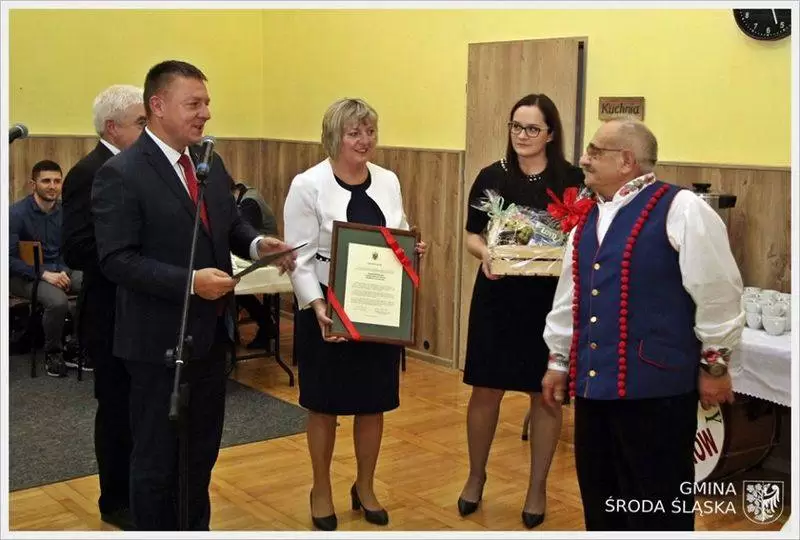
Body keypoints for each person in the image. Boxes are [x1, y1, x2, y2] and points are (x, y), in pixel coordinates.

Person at [91, 60, 296, 531]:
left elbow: (228, 223)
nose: (205, 113)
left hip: (210, 337)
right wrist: (190, 281)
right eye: (194, 104)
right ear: (158, 106)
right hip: (156, 344)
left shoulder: (208, 162)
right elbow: (116, 260)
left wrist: (257, 244)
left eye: (207, 103)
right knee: (156, 462)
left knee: (200, 456)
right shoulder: (121, 173)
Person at [541, 117, 744, 531]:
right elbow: (569, 299)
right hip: (594, 390)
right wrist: (558, 361)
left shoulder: (682, 209)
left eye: (594, 151)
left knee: (659, 502)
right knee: (601, 496)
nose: (584, 159)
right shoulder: (587, 221)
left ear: (627, 160)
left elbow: (718, 293)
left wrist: (715, 366)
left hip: (658, 391)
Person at [284, 98, 426, 531]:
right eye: (354, 133)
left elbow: (397, 235)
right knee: (323, 406)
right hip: (326, 307)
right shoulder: (308, 185)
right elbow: (298, 259)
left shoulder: (388, 180)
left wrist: (413, 249)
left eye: (370, 131)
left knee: (373, 403)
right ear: (334, 137)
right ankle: (321, 489)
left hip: (377, 307)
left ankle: (365, 486)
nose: (365, 140)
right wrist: (317, 306)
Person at [458, 94, 584, 528]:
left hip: (549, 304)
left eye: (532, 128)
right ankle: (475, 476)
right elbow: (472, 235)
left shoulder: (572, 179)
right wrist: (486, 254)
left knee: (545, 393)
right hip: (497, 296)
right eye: (516, 126)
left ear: (550, 134)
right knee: (484, 389)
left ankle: (536, 488)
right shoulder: (492, 176)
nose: (522, 135)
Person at [61, 84, 147, 530]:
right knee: (115, 408)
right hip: (109, 309)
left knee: (142, 408)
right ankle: (115, 502)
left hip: (143, 309)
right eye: (140, 122)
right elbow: (76, 247)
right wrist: (132, 258)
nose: (148, 130)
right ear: (112, 128)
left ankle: (144, 491)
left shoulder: (140, 168)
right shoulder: (88, 172)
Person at [10, 160, 83, 378]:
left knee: (93, 285)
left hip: (60, 269)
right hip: (24, 274)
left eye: (57, 181)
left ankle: (76, 345)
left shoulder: (65, 212)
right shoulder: (16, 214)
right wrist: (44, 274)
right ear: (33, 184)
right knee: (57, 301)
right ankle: (53, 352)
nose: (52, 186)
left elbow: (69, 248)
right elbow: (8, 258)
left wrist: (62, 271)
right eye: (46, 181)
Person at [231, 180, 278, 349]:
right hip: (260, 252)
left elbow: (242, 236)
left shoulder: (249, 203)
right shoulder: (248, 194)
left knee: (232, 286)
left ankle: (265, 323)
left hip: (265, 254)